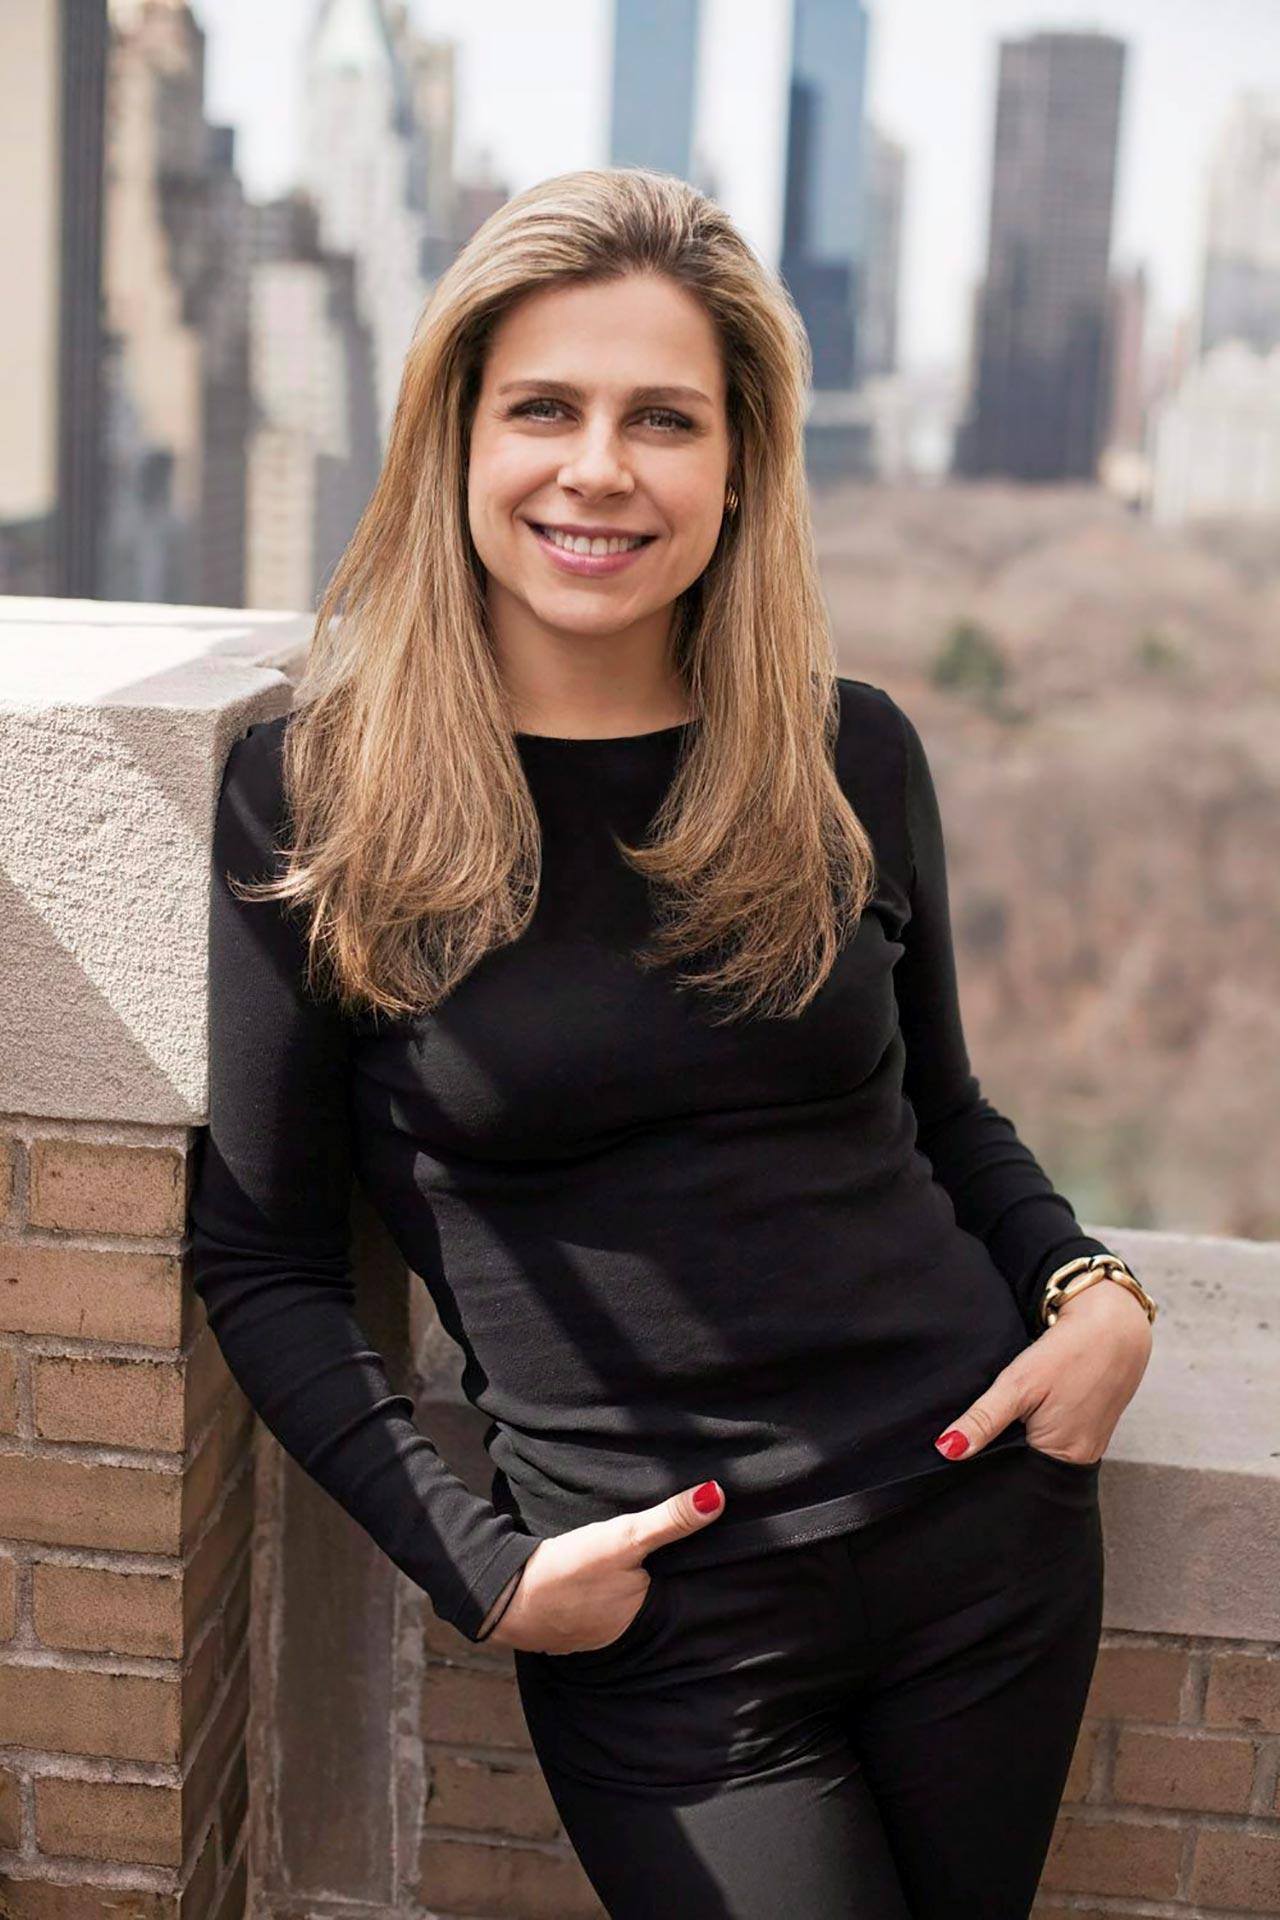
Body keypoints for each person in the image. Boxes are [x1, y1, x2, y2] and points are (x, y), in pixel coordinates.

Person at [190, 167, 1157, 1918]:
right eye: (543, 408)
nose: (599, 467)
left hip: (986, 1542)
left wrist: (1092, 1297)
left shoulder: (845, 753)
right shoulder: (319, 797)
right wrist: (482, 1570)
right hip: (671, 1629)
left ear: (741, 463)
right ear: (453, 437)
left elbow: (938, 1112)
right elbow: (262, 1260)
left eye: (663, 417)